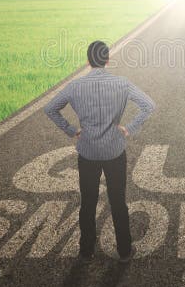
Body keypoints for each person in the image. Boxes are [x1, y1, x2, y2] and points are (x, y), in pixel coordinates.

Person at [44, 40, 155, 263]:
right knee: (118, 201)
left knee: (88, 202)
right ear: (107, 59)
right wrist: (128, 128)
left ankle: (86, 251)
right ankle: (124, 250)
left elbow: (50, 109)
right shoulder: (121, 83)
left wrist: (72, 130)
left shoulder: (75, 86)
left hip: (88, 153)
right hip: (114, 151)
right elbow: (148, 105)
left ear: (88, 61)